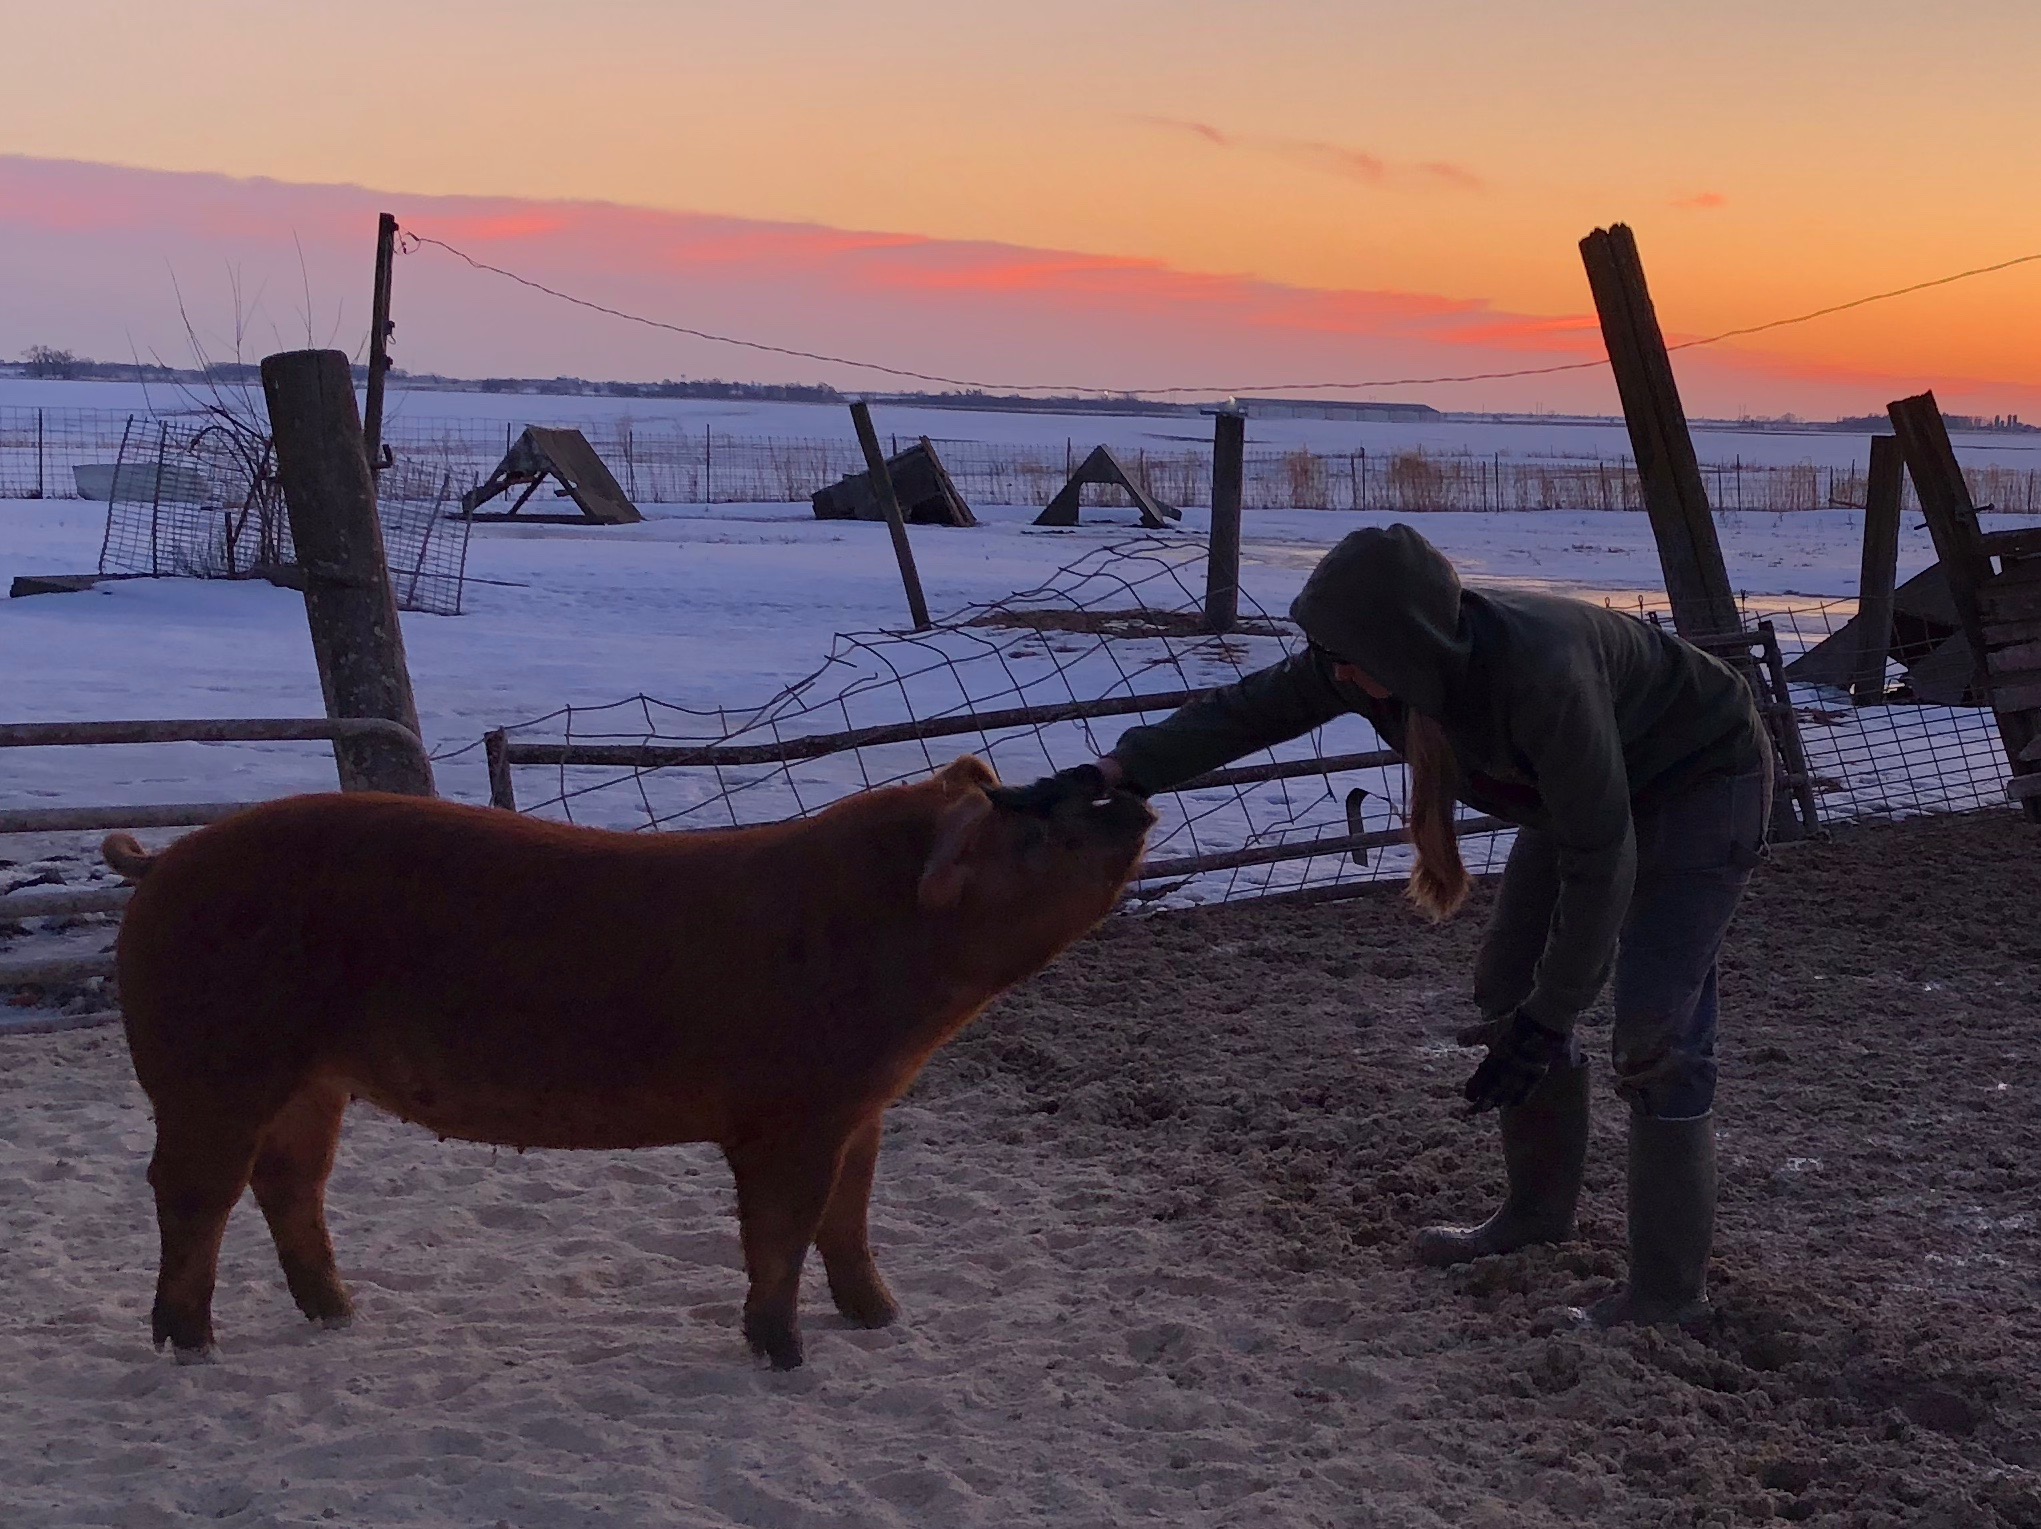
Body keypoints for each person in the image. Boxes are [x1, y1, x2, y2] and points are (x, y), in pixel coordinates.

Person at [1009, 524, 1770, 1326]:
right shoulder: (1368, 664)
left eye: (1346, 655)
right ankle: (1535, 1215)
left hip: (1697, 777)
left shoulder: (1540, 675)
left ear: (1406, 642)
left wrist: (1554, 1016)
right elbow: (1246, 711)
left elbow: (1599, 857)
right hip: (1585, 788)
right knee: (1505, 985)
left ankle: (1666, 1294)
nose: (1332, 671)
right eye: (1327, 652)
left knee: (1655, 1031)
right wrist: (1112, 771)